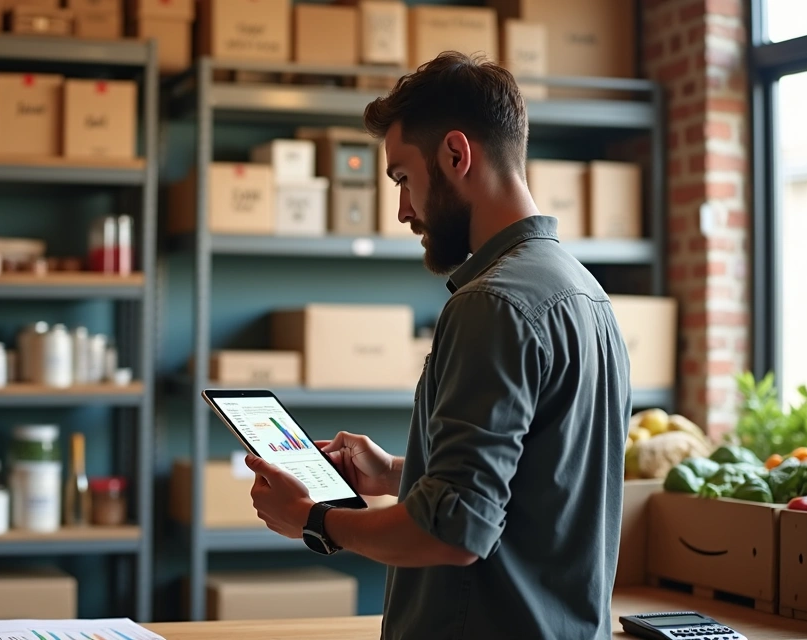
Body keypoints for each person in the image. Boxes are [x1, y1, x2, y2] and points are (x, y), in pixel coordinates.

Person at [244, 51, 631, 639]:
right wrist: (394, 473)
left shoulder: (492, 304)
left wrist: (312, 519)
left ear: (456, 155)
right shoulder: (587, 295)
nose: (403, 210)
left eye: (403, 178)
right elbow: (537, 484)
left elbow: (455, 531)